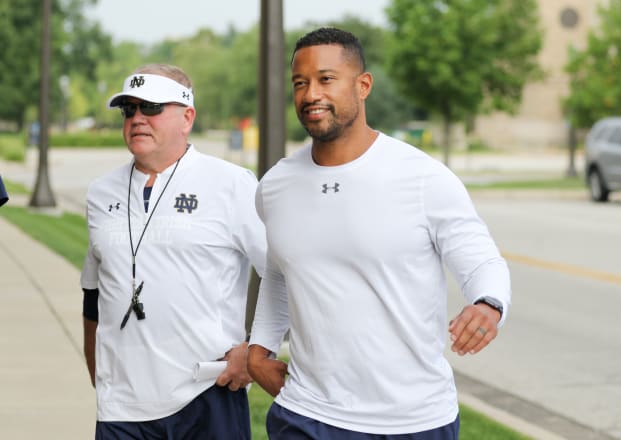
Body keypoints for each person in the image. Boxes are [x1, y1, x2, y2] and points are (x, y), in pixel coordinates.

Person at [247, 27, 511, 439]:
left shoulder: (422, 177)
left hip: (413, 421)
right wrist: (259, 350)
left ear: (363, 85)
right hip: (306, 414)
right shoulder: (275, 186)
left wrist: (489, 304)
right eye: (301, 83)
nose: (311, 93)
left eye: (326, 79)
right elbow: (279, 271)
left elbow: (481, 259)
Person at [80, 63, 266, 439]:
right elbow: (93, 294)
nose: (136, 118)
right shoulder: (101, 193)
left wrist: (257, 351)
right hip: (122, 407)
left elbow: (286, 274)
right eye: (128, 109)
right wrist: (100, 374)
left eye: (150, 107)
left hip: (208, 394)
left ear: (187, 117)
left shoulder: (232, 185)